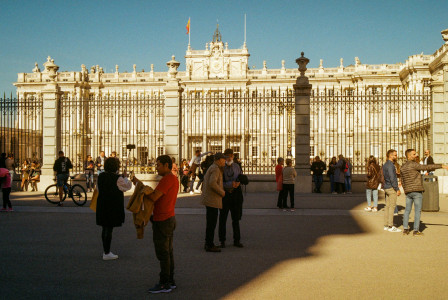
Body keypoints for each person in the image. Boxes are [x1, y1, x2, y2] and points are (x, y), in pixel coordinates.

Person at [131, 155, 179, 294]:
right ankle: (170, 280)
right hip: (168, 217)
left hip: (163, 220)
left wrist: (140, 186)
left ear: (166, 165)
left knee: (163, 253)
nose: (156, 167)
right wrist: (139, 184)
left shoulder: (167, 179)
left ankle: (164, 283)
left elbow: (153, 196)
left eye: (158, 165)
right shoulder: (172, 178)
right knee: (168, 252)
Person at [400, 149, 448, 236]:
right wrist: (441, 165)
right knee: (417, 211)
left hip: (408, 191)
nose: (416, 155)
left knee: (407, 210)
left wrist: (405, 189)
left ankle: (405, 229)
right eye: (414, 154)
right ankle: (415, 230)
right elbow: (427, 167)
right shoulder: (414, 165)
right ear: (409, 156)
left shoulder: (403, 166)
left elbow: (402, 180)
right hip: (417, 190)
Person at [96, 157, 132, 260]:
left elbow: (98, 189)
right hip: (112, 205)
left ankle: (105, 250)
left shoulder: (101, 176)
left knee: (104, 228)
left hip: (102, 204)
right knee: (109, 229)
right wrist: (125, 177)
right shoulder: (118, 178)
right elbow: (127, 187)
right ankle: (107, 253)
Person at [201, 152, 226, 253]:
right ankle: (209, 244)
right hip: (212, 199)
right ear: (219, 159)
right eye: (224, 159)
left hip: (210, 199)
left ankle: (209, 243)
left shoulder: (213, 167)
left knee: (210, 223)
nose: (225, 161)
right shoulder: (215, 168)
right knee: (212, 223)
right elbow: (212, 183)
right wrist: (222, 192)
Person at [219, 149, 244, 248]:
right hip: (225, 195)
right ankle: (222, 240)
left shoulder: (237, 166)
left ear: (233, 156)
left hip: (235, 195)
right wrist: (230, 184)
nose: (229, 158)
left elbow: (241, 176)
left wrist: (239, 182)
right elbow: (219, 181)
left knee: (236, 219)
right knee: (223, 218)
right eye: (227, 156)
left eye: (230, 156)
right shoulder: (221, 167)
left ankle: (237, 240)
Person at [382, 149, 401, 232]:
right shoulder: (390, 165)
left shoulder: (385, 164)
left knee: (387, 207)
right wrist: (397, 188)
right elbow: (392, 178)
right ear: (390, 155)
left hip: (386, 186)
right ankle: (390, 225)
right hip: (391, 187)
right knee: (392, 207)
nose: (396, 156)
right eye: (395, 155)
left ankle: (386, 224)